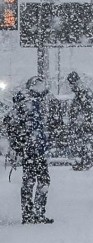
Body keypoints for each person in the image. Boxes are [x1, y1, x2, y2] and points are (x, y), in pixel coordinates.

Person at [13, 77, 54, 224]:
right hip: (33, 149)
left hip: (31, 149)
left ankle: (30, 213)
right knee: (40, 181)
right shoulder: (30, 103)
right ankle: (35, 213)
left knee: (32, 181)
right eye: (42, 86)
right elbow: (33, 127)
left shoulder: (27, 102)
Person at [67, 71, 93, 171]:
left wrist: (80, 116)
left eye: (71, 83)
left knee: (84, 143)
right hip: (82, 123)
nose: (70, 86)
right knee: (83, 143)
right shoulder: (82, 91)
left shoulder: (82, 92)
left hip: (83, 124)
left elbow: (90, 107)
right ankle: (84, 161)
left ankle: (85, 162)